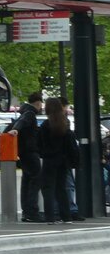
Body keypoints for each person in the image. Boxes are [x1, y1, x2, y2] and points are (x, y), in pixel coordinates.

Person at [39, 96, 76, 224]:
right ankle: (66, 216)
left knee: (47, 188)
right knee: (61, 188)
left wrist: (44, 153)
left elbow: (40, 144)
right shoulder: (65, 124)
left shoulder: (45, 125)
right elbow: (70, 144)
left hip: (49, 160)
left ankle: (50, 217)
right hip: (63, 161)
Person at [10, 91, 44, 222]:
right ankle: (32, 211)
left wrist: (15, 130)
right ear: (38, 103)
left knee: (26, 181)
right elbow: (22, 123)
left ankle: (26, 212)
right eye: (41, 104)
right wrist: (16, 129)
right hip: (30, 151)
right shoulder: (30, 113)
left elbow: (20, 123)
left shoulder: (23, 112)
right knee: (36, 180)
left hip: (23, 153)